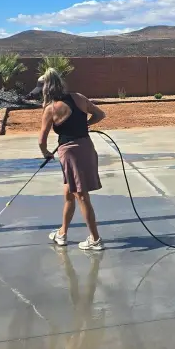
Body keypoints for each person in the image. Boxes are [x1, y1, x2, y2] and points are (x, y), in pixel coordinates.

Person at [38, 68, 107, 250]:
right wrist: (85, 124)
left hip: (69, 153)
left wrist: (46, 153)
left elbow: (41, 141)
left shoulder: (51, 109)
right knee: (69, 194)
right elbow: (100, 114)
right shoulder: (79, 97)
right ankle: (62, 233)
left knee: (81, 196)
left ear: (46, 88)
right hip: (86, 147)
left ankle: (95, 239)